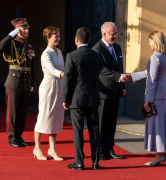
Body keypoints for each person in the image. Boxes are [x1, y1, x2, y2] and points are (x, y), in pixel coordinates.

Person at [130, 31, 166, 166]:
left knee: (157, 125)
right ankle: (161, 153)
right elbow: (149, 73)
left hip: (155, 95)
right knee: (161, 124)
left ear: (155, 42)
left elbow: (152, 80)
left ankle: (159, 155)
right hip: (162, 93)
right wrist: (132, 76)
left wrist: (147, 100)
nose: (149, 44)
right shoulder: (164, 56)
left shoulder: (155, 57)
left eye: (150, 41)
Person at [63, 27, 102, 170]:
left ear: (76, 39)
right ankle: (95, 162)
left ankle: (79, 162)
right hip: (93, 97)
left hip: (76, 98)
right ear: (89, 40)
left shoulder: (71, 56)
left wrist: (65, 99)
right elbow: (97, 74)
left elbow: (68, 79)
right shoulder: (97, 55)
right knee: (95, 130)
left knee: (78, 131)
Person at [0, 18, 35, 147]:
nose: (27, 30)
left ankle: (19, 135)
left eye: (27, 28)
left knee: (22, 111)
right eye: (23, 28)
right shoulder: (11, 43)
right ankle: (12, 137)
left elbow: (31, 66)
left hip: (26, 82)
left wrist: (32, 83)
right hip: (13, 81)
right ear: (17, 30)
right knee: (12, 112)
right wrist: (10, 35)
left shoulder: (29, 45)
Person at [92, 22, 129, 160]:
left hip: (115, 91)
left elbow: (120, 67)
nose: (115, 36)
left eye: (116, 33)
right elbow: (102, 69)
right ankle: (100, 151)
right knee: (101, 123)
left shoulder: (117, 48)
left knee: (112, 123)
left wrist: (123, 86)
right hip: (103, 92)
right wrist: (119, 77)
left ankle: (110, 148)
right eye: (112, 34)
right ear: (104, 34)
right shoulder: (97, 49)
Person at [33, 26, 64, 161]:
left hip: (59, 86)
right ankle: (37, 148)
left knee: (55, 118)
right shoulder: (45, 54)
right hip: (48, 87)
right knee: (43, 117)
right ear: (48, 38)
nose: (58, 38)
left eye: (58, 35)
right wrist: (62, 74)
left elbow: (63, 67)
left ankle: (52, 149)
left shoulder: (59, 52)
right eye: (55, 36)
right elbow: (51, 69)